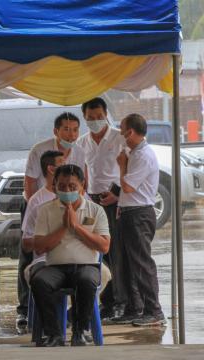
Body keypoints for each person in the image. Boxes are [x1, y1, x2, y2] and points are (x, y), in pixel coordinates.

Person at [17, 112, 86, 331]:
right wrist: (36, 206)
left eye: (75, 129)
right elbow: (30, 183)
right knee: (31, 256)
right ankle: (27, 310)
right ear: (56, 131)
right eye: (66, 129)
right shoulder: (40, 149)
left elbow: (84, 182)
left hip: (70, 211)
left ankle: (78, 323)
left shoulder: (80, 152)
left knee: (89, 271)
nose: (71, 134)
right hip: (39, 203)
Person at [27, 165, 110, 347]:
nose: (67, 190)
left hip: (86, 265)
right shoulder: (45, 210)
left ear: (82, 185)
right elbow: (39, 247)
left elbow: (104, 246)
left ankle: (80, 331)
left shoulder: (96, 210)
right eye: (62, 186)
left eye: (72, 186)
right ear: (55, 185)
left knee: (87, 281)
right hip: (55, 267)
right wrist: (64, 227)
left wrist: (76, 227)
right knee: (39, 281)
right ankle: (54, 333)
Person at [77, 98, 127, 320]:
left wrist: (116, 192)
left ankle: (120, 301)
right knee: (96, 253)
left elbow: (129, 167)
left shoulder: (119, 138)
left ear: (106, 114)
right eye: (91, 118)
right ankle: (105, 302)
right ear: (85, 118)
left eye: (99, 116)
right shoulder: (82, 142)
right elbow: (82, 173)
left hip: (115, 199)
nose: (96, 121)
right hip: (92, 202)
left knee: (116, 252)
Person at [114, 114, 165, 326]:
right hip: (128, 212)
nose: (121, 135)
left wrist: (122, 164)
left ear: (131, 132)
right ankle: (135, 308)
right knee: (128, 263)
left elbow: (128, 186)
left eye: (123, 131)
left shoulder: (143, 155)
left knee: (142, 263)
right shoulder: (135, 152)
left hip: (139, 214)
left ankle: (153, 310)